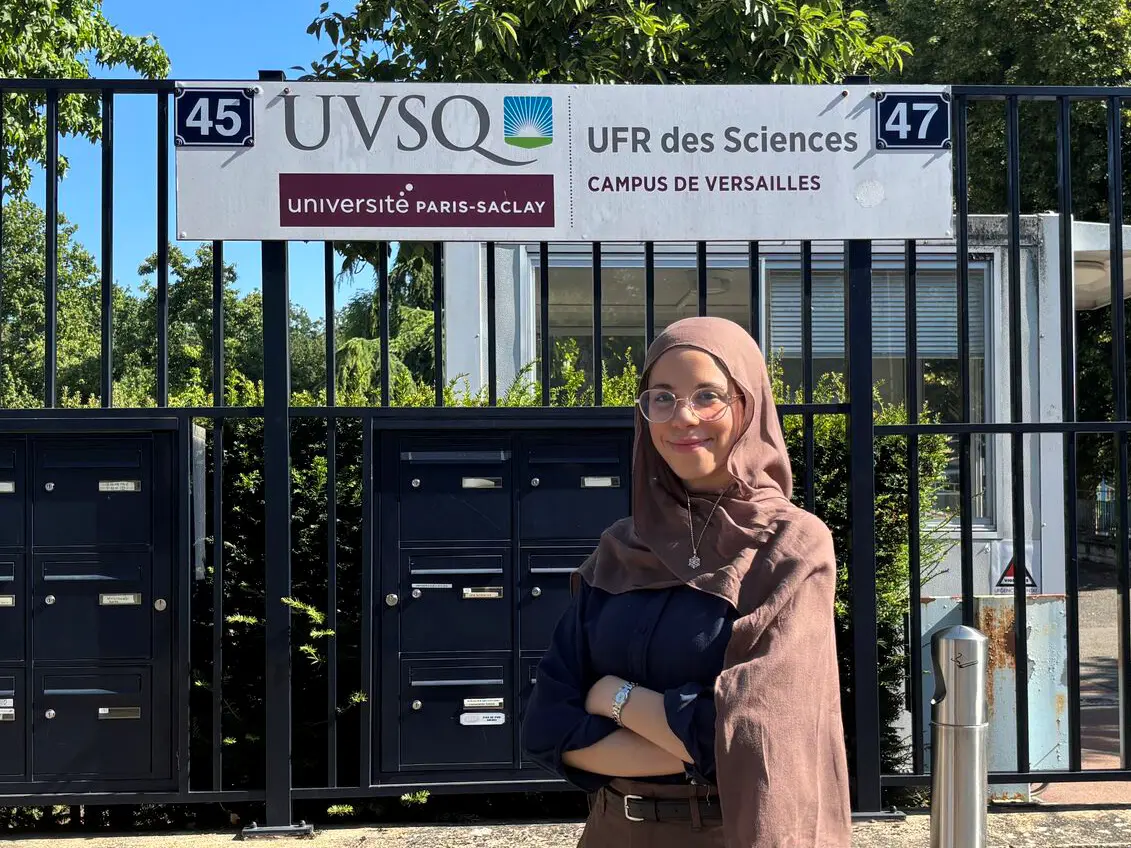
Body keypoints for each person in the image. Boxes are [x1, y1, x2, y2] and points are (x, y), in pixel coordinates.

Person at [519, 316, 850, 848]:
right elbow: (545, 724)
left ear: (747, 405)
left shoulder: (789, 545)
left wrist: (613, 695)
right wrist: (687, 736)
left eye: (707, 396)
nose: (683, 417)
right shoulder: (620, 548)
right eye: (663, 397)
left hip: (727, 833)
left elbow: (756, 734)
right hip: (611, 833)